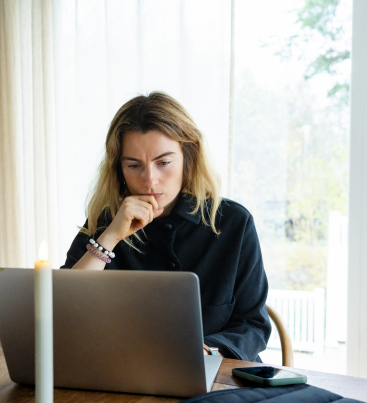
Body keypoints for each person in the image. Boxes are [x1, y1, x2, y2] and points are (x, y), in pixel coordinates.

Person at [61, 92, 271, 361]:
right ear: (118, 169)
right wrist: (110, 237)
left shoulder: (234, 222)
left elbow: (253, 325)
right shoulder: (106, 223)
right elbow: (65, 311)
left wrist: (206, 352)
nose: (150, 180)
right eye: (134, 165)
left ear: (188, 158)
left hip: (219, 380)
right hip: (124, 378)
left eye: (163, 163)